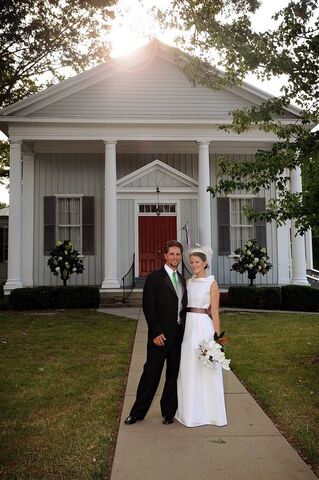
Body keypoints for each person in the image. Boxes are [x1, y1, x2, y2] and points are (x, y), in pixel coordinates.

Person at [124, 240, 187, 425]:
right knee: (150, 374)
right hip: (160, 336)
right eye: (172, 254)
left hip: (177, 336)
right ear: (165, 256)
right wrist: (156, 332)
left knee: (173, 375)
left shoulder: (183, 280)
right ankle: (136, 413)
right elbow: (148, 307)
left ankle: (168, 412)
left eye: (178, 254)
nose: (175, 257)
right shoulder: (154, 278)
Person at [175, 245, 227, 427]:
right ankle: (189, 412)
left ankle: (210, 413)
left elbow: (215, 312)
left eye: (197, 262)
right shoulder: (188, 282)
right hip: (188, 327)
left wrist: (217, 340)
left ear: (205, 263)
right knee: (189, 367)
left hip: (203, 327)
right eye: (191, 262)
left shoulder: (211, 284)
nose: (194, 265)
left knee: (206, 367)